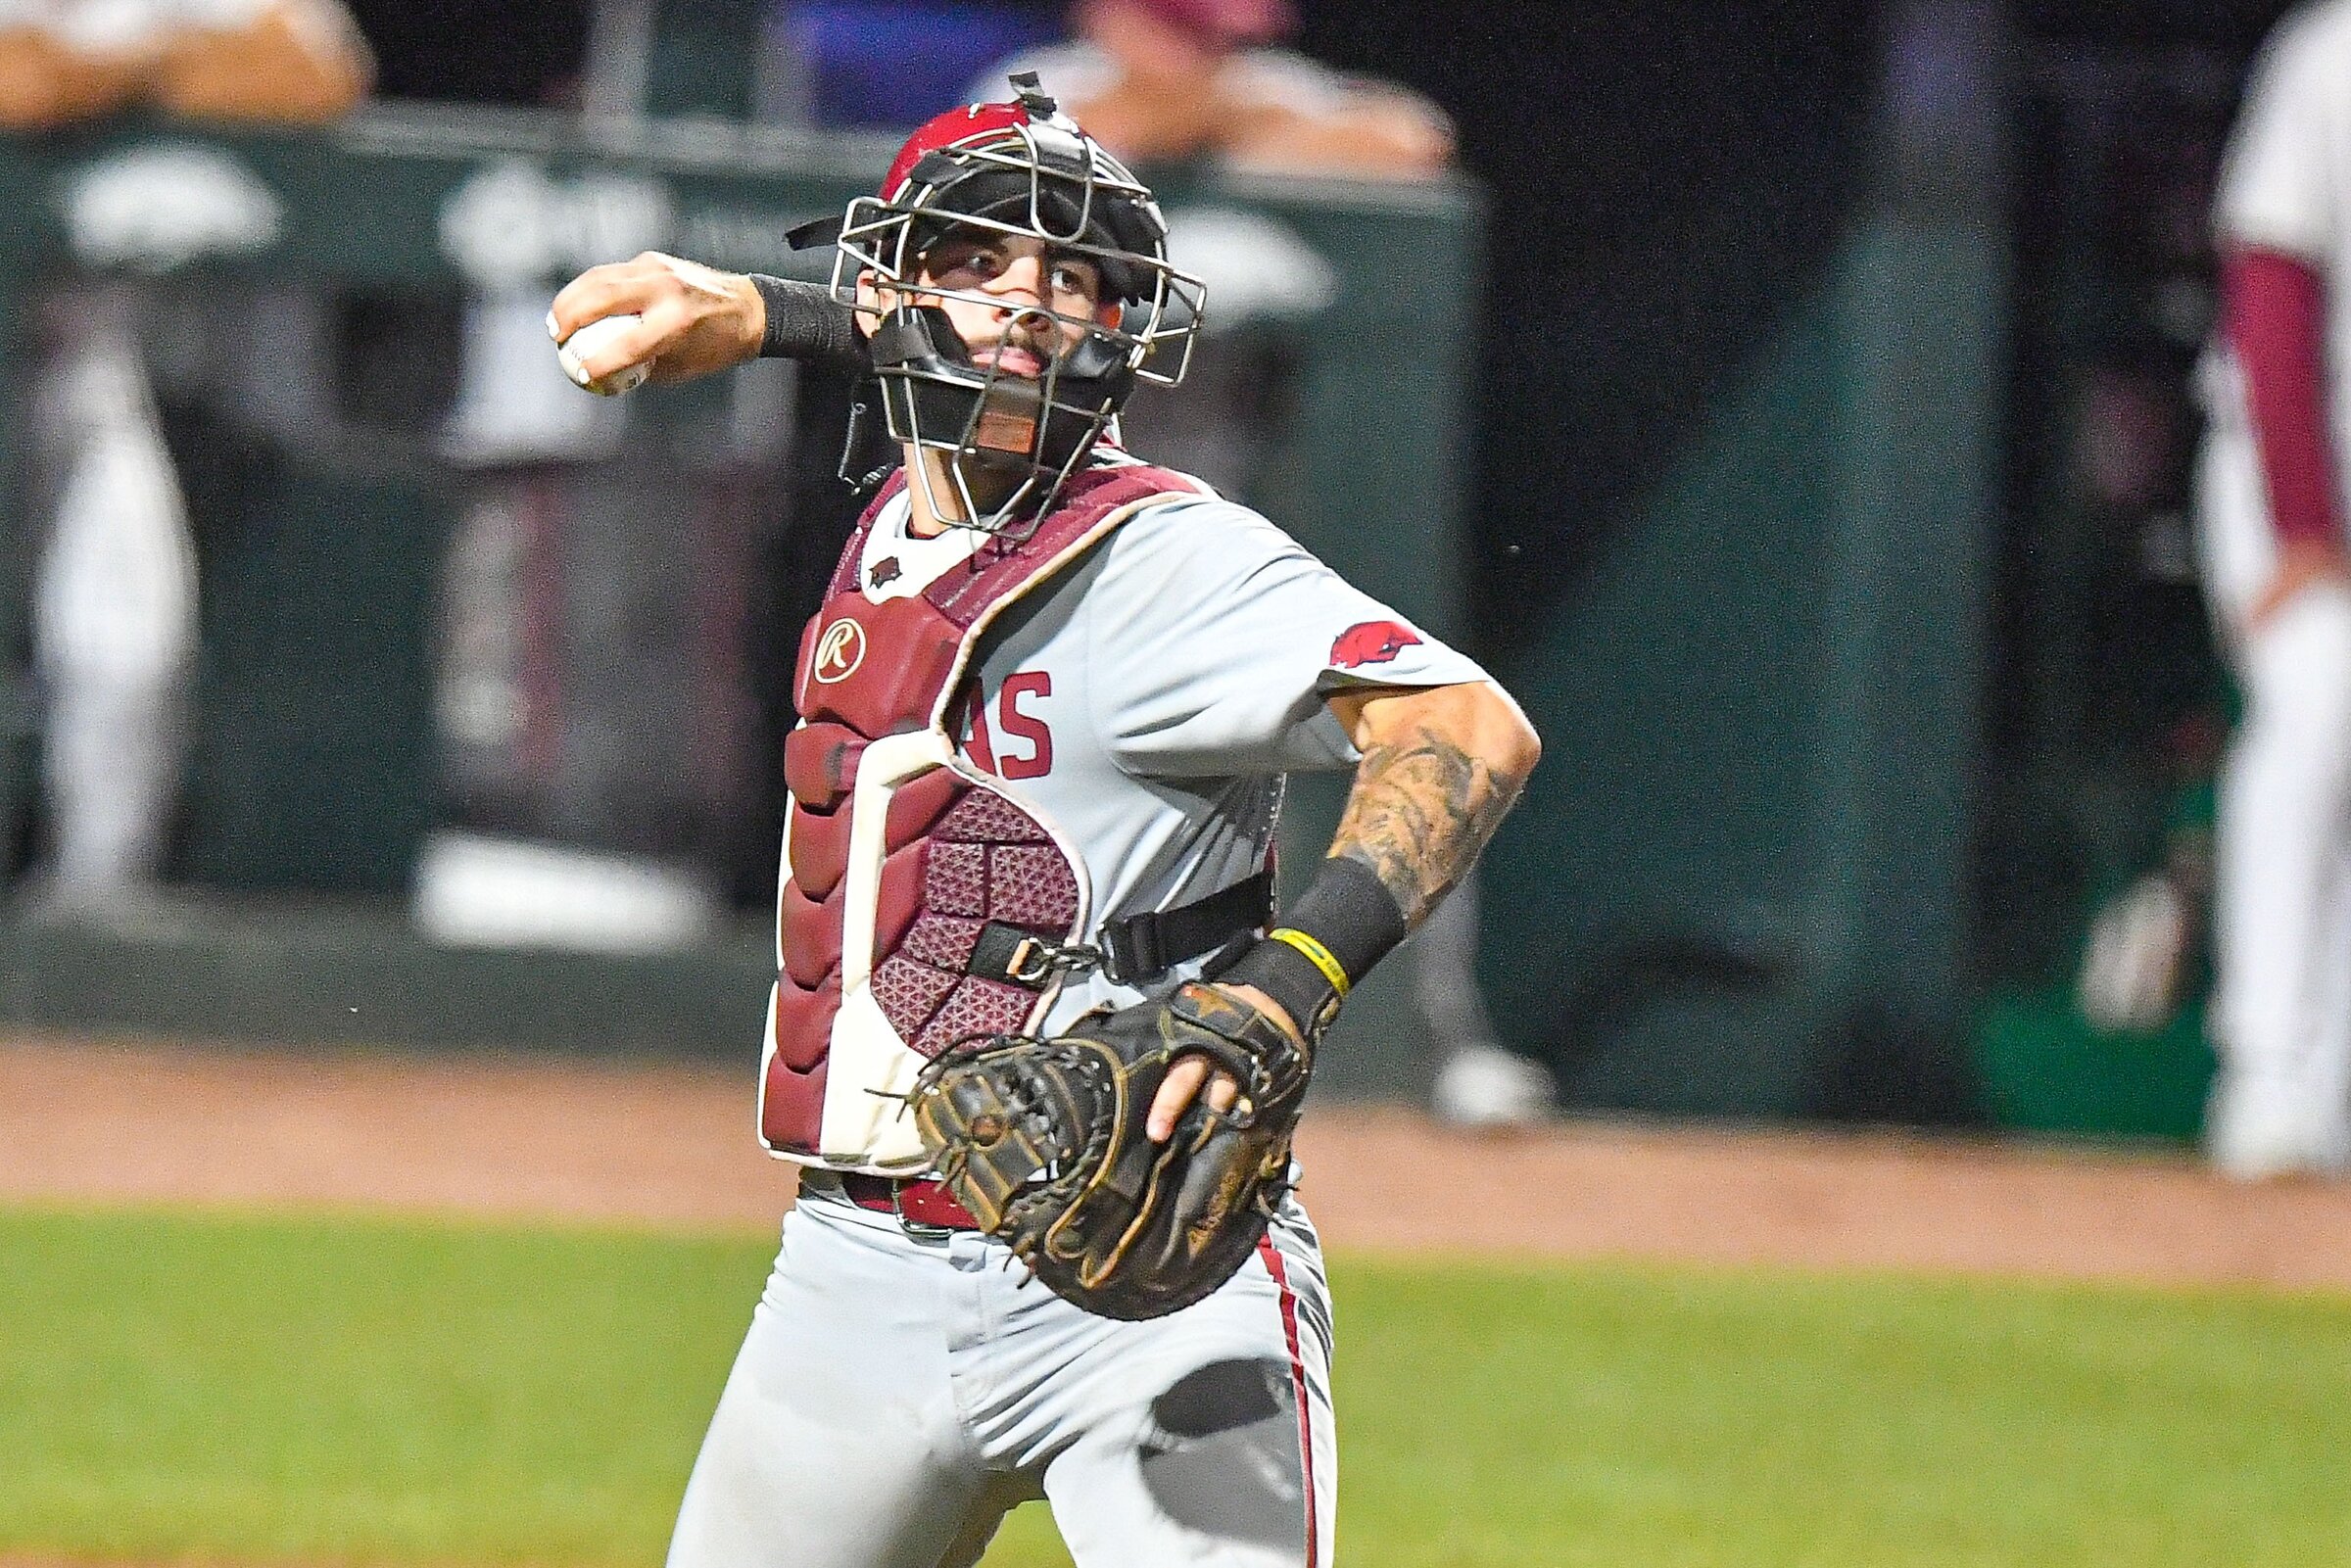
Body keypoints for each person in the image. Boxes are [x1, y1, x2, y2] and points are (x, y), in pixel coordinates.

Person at [549, 79, 1539, 1565]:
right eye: (985, 263)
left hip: (1152, 1284)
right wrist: (772, 313)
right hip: (848, 1279)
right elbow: (925, 362)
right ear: (889, 288)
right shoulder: (905, 515)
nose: (1035, 307)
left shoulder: (1169, 558)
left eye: (1080, 281)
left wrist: (1296, 977)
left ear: (1127, 331)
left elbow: (1466, 725)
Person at [2194, 0, 2351, 1178]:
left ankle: (2326, 1094)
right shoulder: (2330, 52)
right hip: (2288, 471)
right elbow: (2271, 287)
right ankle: (2260, 1069)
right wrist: (2303, 518)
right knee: (2318, 711)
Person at [980, 0, 1452, 179]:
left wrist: (1227, 127)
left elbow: (1415, 139)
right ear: (1115, 19)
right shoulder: (1043, 75)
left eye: (1221, 39)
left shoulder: (1262, 82)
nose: (1211, 55)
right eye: (1185, 34)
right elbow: (1104, 130)